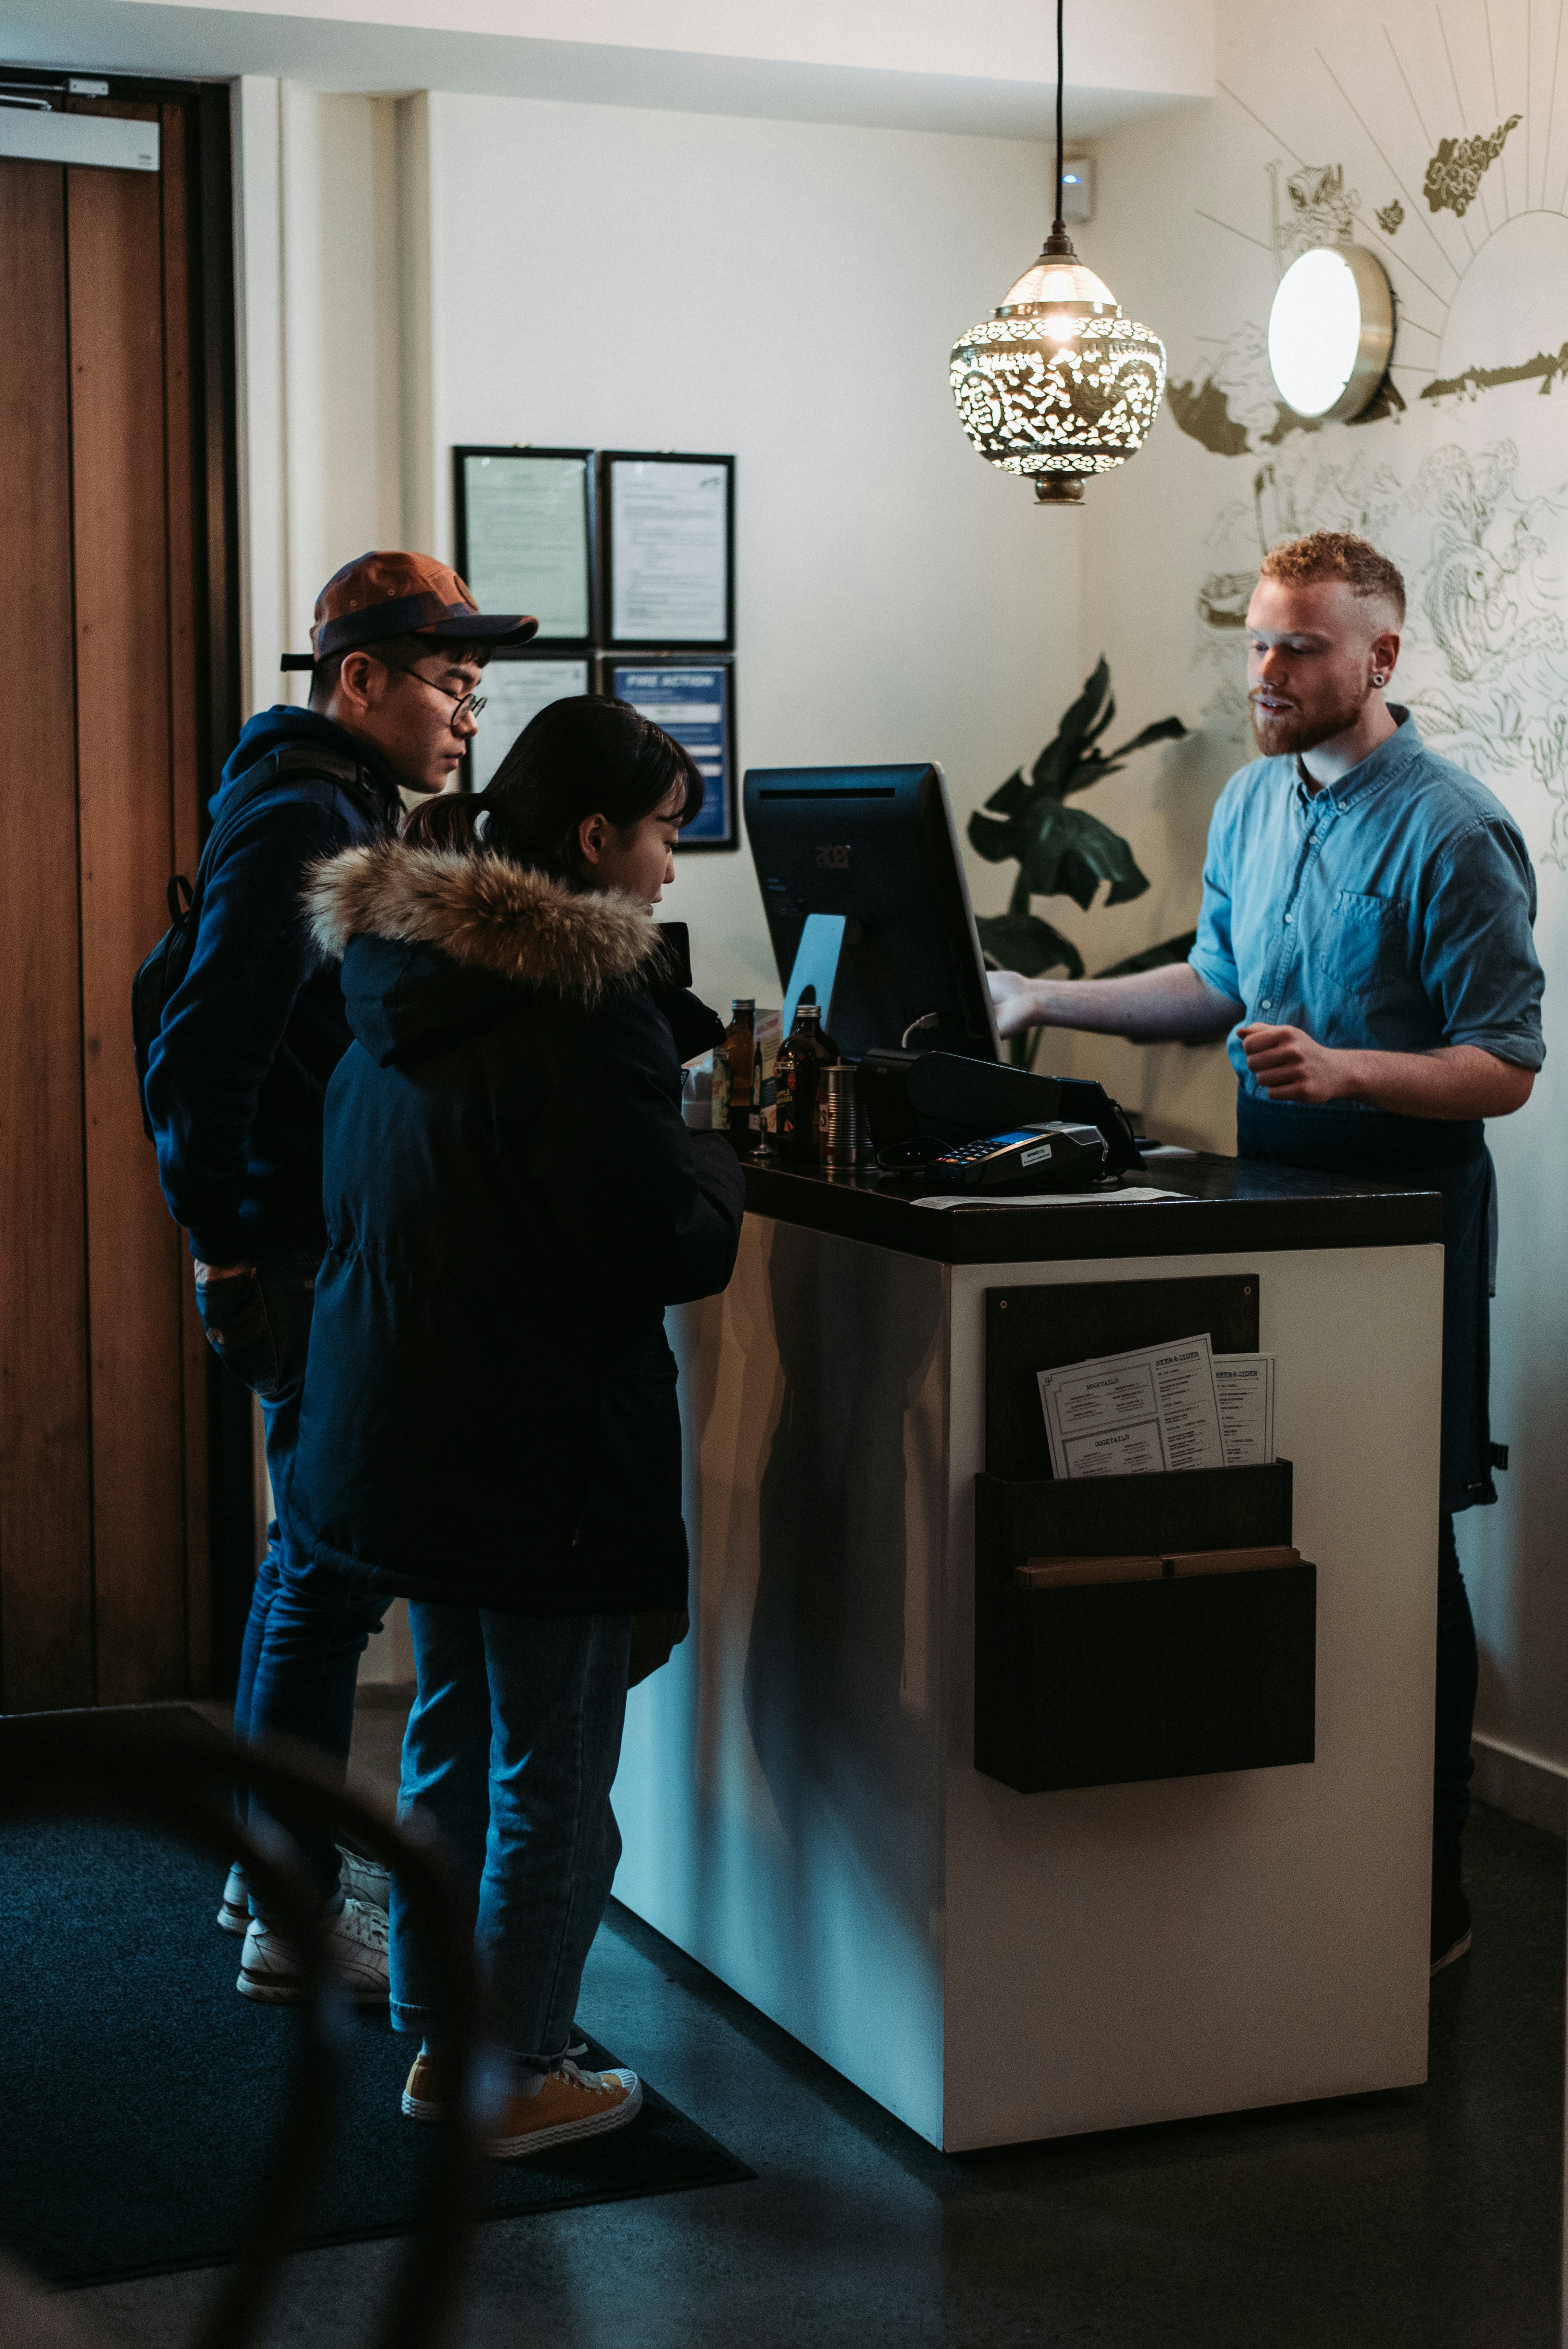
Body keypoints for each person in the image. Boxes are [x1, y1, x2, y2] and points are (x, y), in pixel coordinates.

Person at [986, 531, 1544, 1975]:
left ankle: (1427, 1901)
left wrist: (1348, 1072)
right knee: (1287, 1520)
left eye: (1300, 646)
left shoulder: (1453, 829)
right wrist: (1042, 995)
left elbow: (1504, 1065)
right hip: (1270, 1219)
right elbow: (1217, 984)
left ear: (1381, 658)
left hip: (1402, 1237)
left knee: (1400, 1531)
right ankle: (1304, 1863)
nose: (1269, 672)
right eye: (1256, 641)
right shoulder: (1248, 801)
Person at [282, 695, 744, 2155]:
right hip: (539, 1442)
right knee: (552, 1774)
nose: (672, 870)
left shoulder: (400, 966)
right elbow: (651, 1241)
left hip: (408, 1425)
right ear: (598, 837)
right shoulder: (580, 1006)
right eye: (667, 834)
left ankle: (440, 2045)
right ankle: (517, 2071)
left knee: (449, 1738)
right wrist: (718, 1161)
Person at [145, 550, 536, 2001]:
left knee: (311, 1567)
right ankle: (294, 1911)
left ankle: (278, 1875)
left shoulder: (334, 799)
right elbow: (203, 1048)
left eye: (476, 691)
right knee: (323, 1576)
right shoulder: (308, 810)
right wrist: (229, 1249)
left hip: (310, 1244)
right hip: (294, 1252)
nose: (463, 716)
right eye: (446, 682)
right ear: (357, 679)